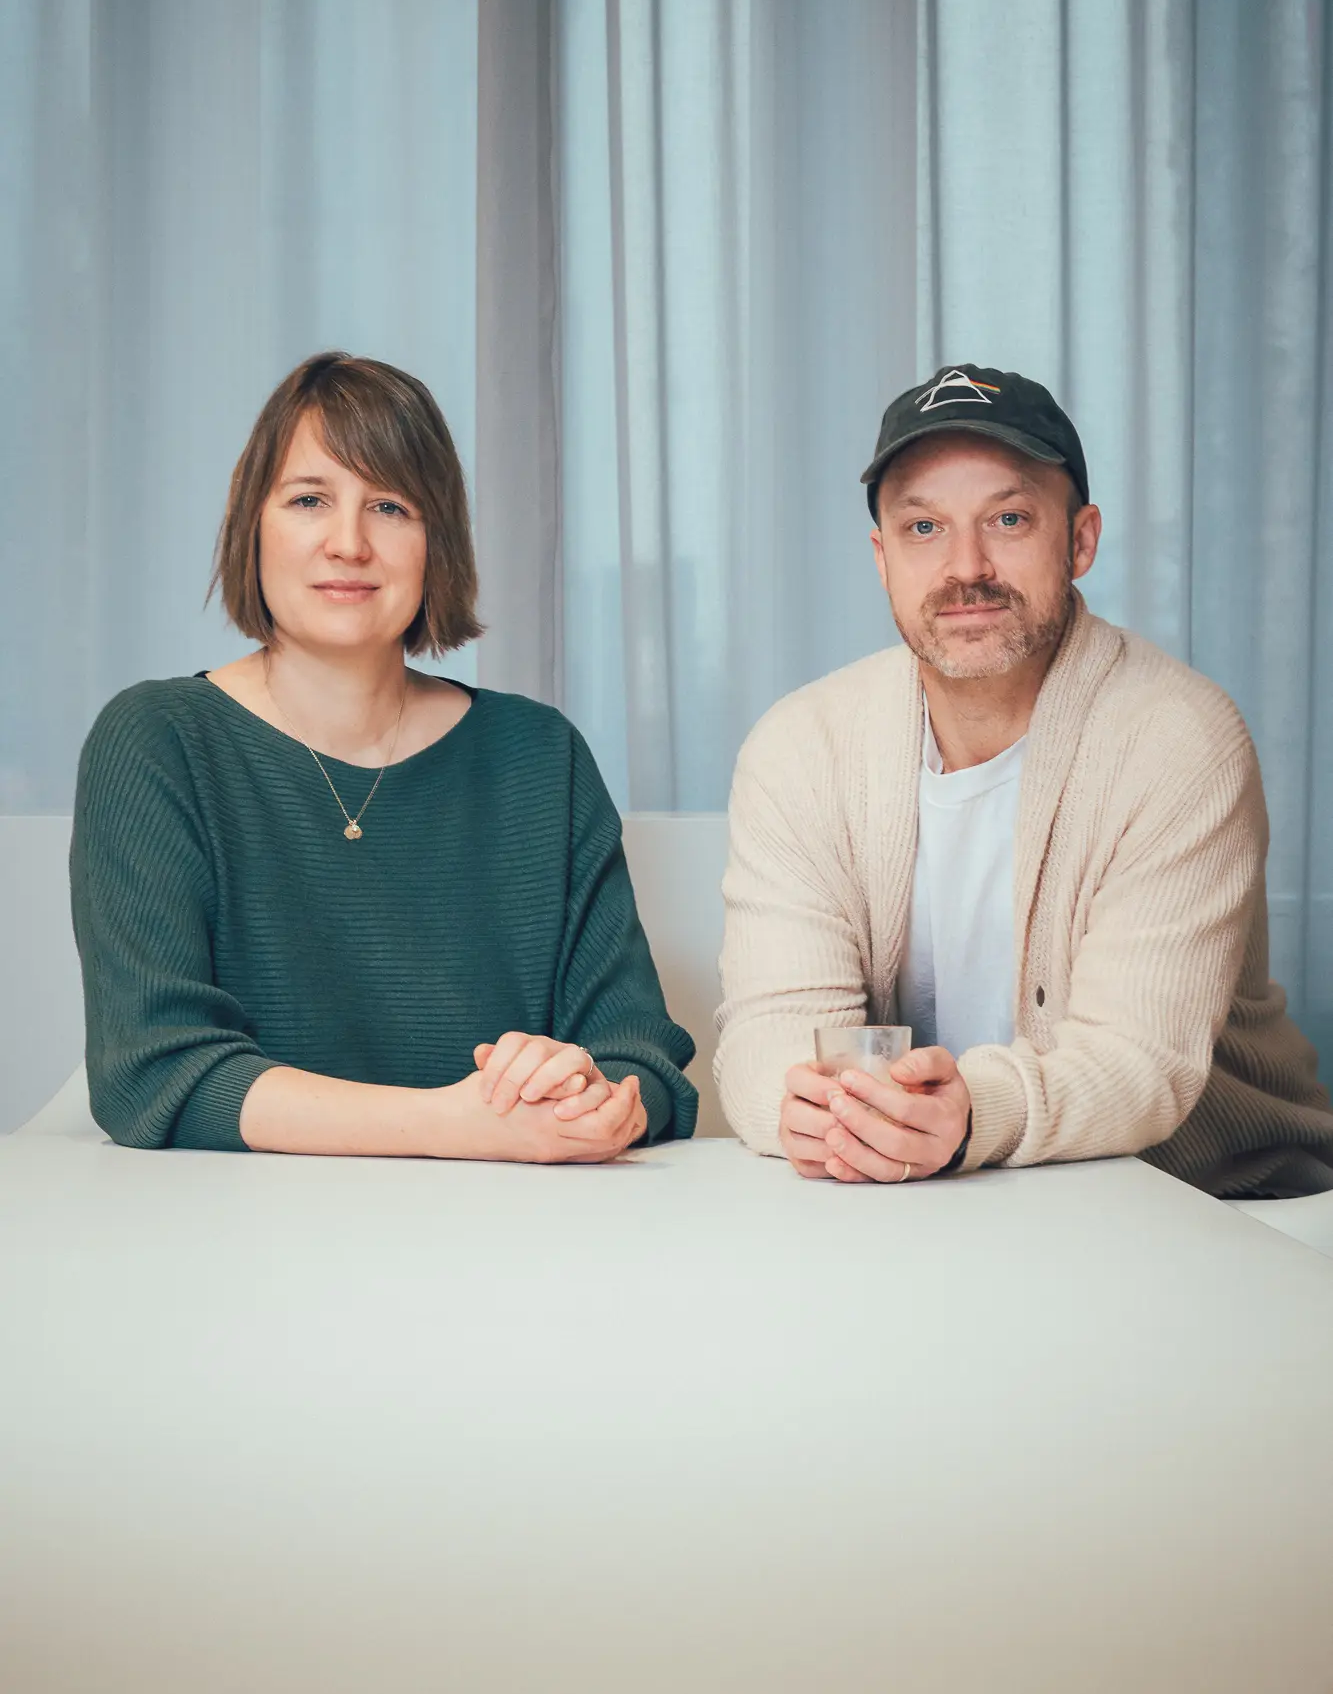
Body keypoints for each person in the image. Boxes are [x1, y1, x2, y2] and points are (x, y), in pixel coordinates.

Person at [715, 363, 1333, 1195]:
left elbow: (1137, 1064)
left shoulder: (1179, 739)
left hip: (1212, 1200)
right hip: (927, 1205)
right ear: (881, 556)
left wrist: (967, 1117)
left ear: (1079, 539)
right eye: (923, 528)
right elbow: (774, 1032)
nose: (965, 567)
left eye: (1007, 518)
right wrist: (806, 1108)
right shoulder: (800, 745)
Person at [72, 351, 697, 1160]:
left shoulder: (541, 756)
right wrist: (456, 1125)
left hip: (517, 1246)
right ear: (250, 523)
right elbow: (153, 1072)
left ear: (436, 540)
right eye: (308, 500)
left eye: (391, 507)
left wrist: (598, 1099)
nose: (348, 543)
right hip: (234, 1248)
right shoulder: (156, 741)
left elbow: (637, 1054)